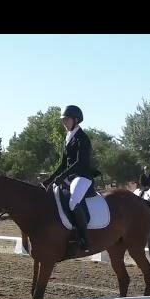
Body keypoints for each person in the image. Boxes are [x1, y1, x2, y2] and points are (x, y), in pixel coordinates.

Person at [42, 105, 100, 252]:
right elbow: (63, 164)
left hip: (82, 177)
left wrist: (62, 177)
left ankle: (84, 239)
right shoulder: (68, 138)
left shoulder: (82, 138)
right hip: (70, 176)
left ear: (75, 120)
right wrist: (50, 179)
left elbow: (80, 162)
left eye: (66, 120)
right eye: (63, 120)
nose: (64, 122)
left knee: (73, 202)